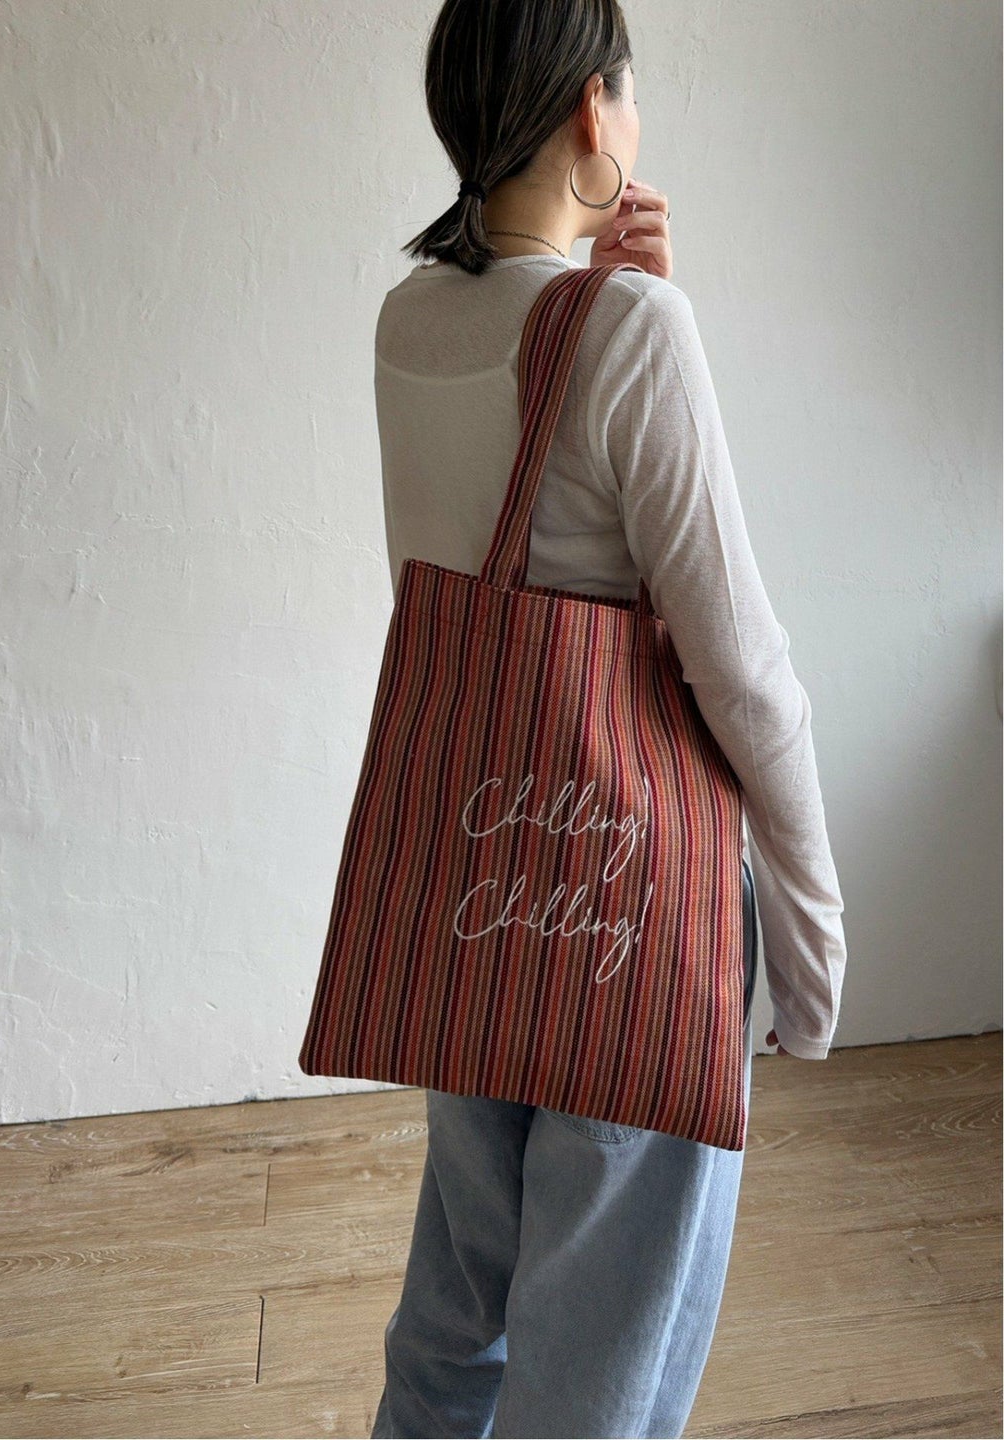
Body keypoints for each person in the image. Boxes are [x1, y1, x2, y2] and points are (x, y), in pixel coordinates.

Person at [367, 1, 848, 1436]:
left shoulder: (409, 318)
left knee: (457, 1316)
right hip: (634, 910)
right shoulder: (633, 330)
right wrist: (812, 923)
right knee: (601, 1374)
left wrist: (622, 299)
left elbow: (496, 554)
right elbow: (739, 666)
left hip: (476, 881)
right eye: (631, 95)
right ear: (594, 106)